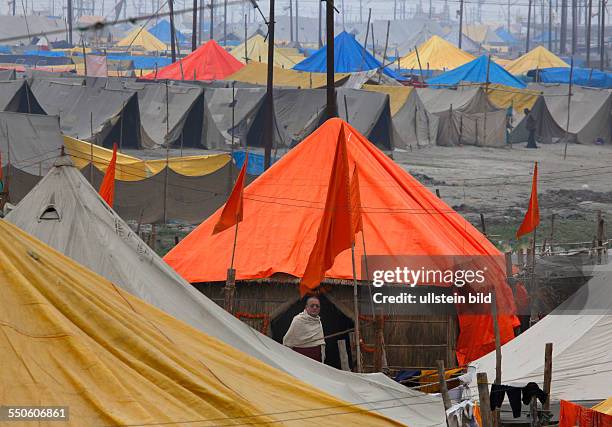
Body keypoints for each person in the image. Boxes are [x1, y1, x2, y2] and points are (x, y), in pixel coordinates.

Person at [283, 296, 325, 363]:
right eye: (312, 306)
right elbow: (288, 341)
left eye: (317, 306)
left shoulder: (318, 321)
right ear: (306, 307)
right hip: (300, 360)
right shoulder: (298, 320)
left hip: (316, 361)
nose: (315, 308)